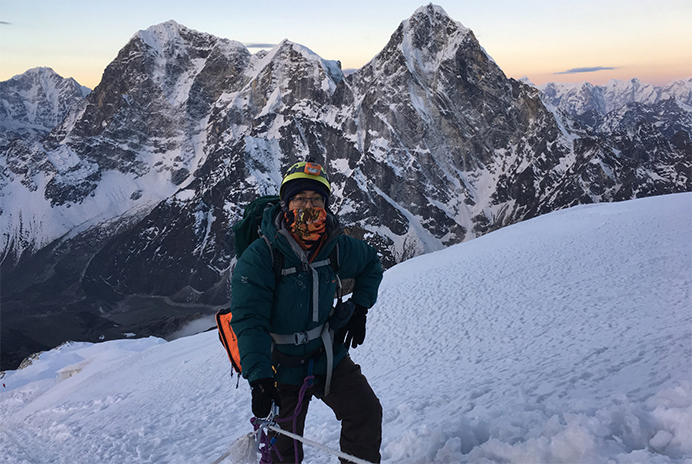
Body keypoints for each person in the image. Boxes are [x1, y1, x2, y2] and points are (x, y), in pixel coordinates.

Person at [230, 159, 384, 463]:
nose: (308, 206)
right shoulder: (262, 256)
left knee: (365, 412)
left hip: (326, 354)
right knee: (283, 451)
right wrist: (260, 379)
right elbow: (250, 320)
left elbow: (370, 263)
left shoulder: (334, 246)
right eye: (300, 198)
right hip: (280, 365)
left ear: (326, 204)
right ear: (286, 203)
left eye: (316, 199)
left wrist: (360, 307)